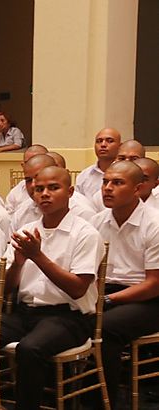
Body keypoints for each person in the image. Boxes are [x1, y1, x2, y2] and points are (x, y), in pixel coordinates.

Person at [1, 166, 103, 410]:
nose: (44, 194)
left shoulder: (85, 233)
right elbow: (5, 289)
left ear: (69, 192)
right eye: (39, 189)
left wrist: (37, 256)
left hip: (69, 316)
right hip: (25, 312)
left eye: (53, 188)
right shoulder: (26, 230)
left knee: (30, 349)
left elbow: (78, 289)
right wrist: (17, 263)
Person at [91, 161, 159, 405]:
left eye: (117, 183)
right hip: (106, 291)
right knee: (67, 314)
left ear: (137, 189)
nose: (107, 188)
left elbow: (154, 284)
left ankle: (105, 400)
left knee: (106, 327)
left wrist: (107, 300)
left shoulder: (154, 224)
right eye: (105, 182)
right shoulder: (98, 221)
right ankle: (76, 392)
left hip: (148, 299)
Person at [12, 154, 96, 232]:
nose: (34, 185)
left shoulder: (83, 212)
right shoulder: (22, 213)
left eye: (39, 177)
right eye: (28, 180)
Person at [76, 128, 122, 198]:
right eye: (99, 141)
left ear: (120, 146)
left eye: (110, 141)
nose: (103, 145)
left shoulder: (125, 173)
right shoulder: (84, 175)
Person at [6, 144, 50, 214]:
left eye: (39, 160)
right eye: (29, 161)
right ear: (23, 165)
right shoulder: (16, 193)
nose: (33, 185)